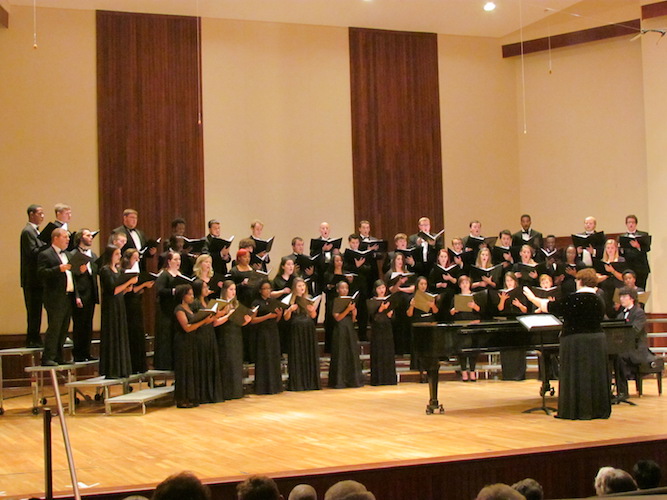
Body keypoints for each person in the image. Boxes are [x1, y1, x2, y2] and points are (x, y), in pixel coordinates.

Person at [524, 268, 611, 420]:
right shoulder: (599, 299)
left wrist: (532, 297)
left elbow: (550, 306)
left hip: (576, 341)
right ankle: (597, 409)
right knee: (593, 375)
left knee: (577, 374)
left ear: (580, 281)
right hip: (597, 341)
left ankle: (576, 410)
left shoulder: (574, 299)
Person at [38, 228, 84, 366]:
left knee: (64, 327)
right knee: (55, 327)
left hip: (68, 296)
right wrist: (58, 269)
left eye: (69, 237)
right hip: (55, 296)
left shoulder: (68, 255)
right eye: (65, 237)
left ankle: (58, 356)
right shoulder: (45, 254)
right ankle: (48, 357)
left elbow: (72, 278)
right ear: (56, 238)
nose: (68, 239)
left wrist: (77, 294)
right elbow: (41, 273)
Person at [99, 245, 136, 378]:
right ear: (110, 255)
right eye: (116, 254)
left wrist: (127, 288)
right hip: (111, 305)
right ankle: (112, 369)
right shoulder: (105, 270)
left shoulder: (118, 270)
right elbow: (112, 290)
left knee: (120, 333)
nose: (119, 256)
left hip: (119, 303)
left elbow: (120, 290)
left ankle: (121, 368)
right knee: (113, 333)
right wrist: (128, 282)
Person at [614, 287, 657, 402]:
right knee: (613, 356)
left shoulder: (639, 313)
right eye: (621, 297)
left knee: (619, 357)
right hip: (625, 347)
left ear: (632, 298)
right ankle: (615, 390)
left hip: (637, 349)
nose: (621, 299)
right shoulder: (620, 315)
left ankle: (623, 391)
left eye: (624, 297)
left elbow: (635, 331)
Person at [217, 280, 252, 400]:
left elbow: (240, 322)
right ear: (225, 291)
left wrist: (246, 320)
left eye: (234, 290)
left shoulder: (236, 304)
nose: (233, 292)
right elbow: (215, 323)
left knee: (236, 362)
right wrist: (228, 315)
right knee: (227, 361)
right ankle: (227, 391)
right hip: (225, 335)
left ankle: (236, 390)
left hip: (236, 334)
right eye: (231, 289)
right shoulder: (220, 304)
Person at [190, 279, 225, 403]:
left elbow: (212, 321)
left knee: (210, 361)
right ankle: (203, 394)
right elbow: (199, 321)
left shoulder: (208, 302)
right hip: (200, 334)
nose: (207, 289)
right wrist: (217, 315)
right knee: (203, 362)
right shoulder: (195, 304)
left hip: (209, 333)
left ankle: (211, 392)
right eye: (204, 287)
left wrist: (220, 314)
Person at [284, 277, 321, 391]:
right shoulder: (290, 299)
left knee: (308, 354)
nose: (302, 288)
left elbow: (314, 316)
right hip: (297, 329)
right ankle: (298, 383)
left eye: (303, 286)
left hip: (308, 328)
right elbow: (286, 318)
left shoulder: (309, 298)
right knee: (298, 354)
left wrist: (312, 310)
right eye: (299, 286)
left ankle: (310, 382)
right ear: (295, 288)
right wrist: (290, 310)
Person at [121, 249, 154, 373]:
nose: (138, 260)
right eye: (135, 258)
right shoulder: (125, 271)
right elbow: (130, 291)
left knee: (139, 332)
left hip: (136, 304)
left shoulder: (136, 270)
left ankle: (140, 365)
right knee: (132, 332)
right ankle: (134, 366)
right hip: (128, 305)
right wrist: (143, 285)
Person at [250, 280, 284, 395]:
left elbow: (276, 320)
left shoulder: (273, 301)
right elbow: (253, 320)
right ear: (260, 290)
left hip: (273, 331)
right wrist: (267, 316)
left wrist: (278, 316)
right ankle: (263, 386)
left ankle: (275, 385)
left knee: (273, 357)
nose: (268, 291)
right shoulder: (256, 302)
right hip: (262, 332)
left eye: (269, 288)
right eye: (265, 288)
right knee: (264, 358)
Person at [70, 229, 99, 362]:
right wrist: (76, 296)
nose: (91, 237)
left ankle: (87, 352)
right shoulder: (73, 254)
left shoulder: (92, 255)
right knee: (79, 324)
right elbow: (72, 277)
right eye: (88, 235)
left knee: (88, 324)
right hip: (80, 294)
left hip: (90, 293)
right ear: (80, 238)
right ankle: (78, 353)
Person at [328, 280, 363, 389]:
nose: (345, 290)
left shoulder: (350, 301)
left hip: (349, 328)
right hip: (340, 328)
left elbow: (353, 320)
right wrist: (347, 309)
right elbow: (337, 317)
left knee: (351, 352)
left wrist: (354, 313)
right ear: (338, 290)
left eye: (346, 288)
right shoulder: (335, 301)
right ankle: (339, 381)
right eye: (342, 288)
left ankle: (352, 380)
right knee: (340, 353)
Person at [21, 204, 47, 348]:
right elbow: (32, 252)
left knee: (37, 310)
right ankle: (32, 338)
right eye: (40, 213)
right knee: (33, 310)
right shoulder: (27, 231)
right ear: (31, 214)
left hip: (37, 279)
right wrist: (47, 246)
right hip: (31, 279)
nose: (42, 216)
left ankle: (36, 337)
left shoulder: (36, 232)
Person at [154, 250, 184, 370]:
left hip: (176, 309)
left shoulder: (180, 274)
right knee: (165, 337)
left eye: (179, 259)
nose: (178, 262)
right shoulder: (164, 274)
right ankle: (164, 365)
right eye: (175, 259)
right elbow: (160, 290)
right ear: (169, 261)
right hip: (166, 310)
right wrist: (173, 291)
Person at [449, 275, 481, 381]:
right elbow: (451, 313)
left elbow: (481, 310)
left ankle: (472, 371)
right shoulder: (456, 297)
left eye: (467, 283)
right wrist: (454, 310)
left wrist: (474, 306)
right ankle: (463, 372)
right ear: (460, 285)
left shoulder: (475, 296)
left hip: (473, 324)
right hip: (460, 324)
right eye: (462, 283)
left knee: (473, 350)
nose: (465, 285)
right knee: (461, 350)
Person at [384, 252, 415, 356]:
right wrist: (399, 283)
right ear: (394, 261)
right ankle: (399, 350)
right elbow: (391, 290)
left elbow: (413, 288)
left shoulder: (407, 273)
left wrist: (402, 288)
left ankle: (408, 349)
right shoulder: (390, 274)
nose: (400, 262)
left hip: (406, 301)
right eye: (398, 259)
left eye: (401, 259)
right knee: (398, 325)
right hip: (396, 301)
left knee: (407, 324)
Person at [368, 280, 397, 386]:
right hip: (377, 330)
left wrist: (390, 314)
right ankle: (378, 379)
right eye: (379, 288)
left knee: (388, 351)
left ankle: (389, 378)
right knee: (378, 352)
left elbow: (393, 318)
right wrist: (381, 309)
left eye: (383, 288)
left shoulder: (388, 299)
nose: (381, 290)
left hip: (387, 329)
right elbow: (373, 319)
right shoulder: (372, 301)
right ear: (375, 289)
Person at [620, 214, 651, 289]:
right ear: (626, 224)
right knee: (629, 289)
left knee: (641, 289)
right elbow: (621, 254)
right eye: (629, 222)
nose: (631, 224)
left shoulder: (643, 234)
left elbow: (647, 248)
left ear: (636, 224)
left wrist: (638, 246)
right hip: (629, 266)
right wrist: (620, 249)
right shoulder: (622, 237)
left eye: (633, 222)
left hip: (641, 267)